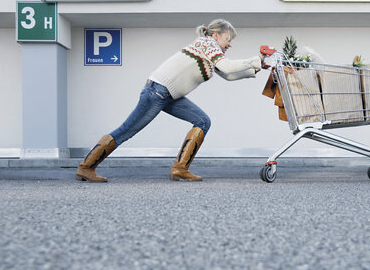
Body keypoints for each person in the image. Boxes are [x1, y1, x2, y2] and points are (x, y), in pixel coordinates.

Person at [76, 19, 264, 182]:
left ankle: (180, 169)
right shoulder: (207, 44)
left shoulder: (209, 51)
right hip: (158, 92)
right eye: (228, 39)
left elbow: (229, 75)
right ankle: (86, 168)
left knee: (202, 121)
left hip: (168, 95)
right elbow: (228, 67)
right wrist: (256, 59)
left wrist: (253, 71)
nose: (229, 44)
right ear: (215, 35)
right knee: (127, 130)